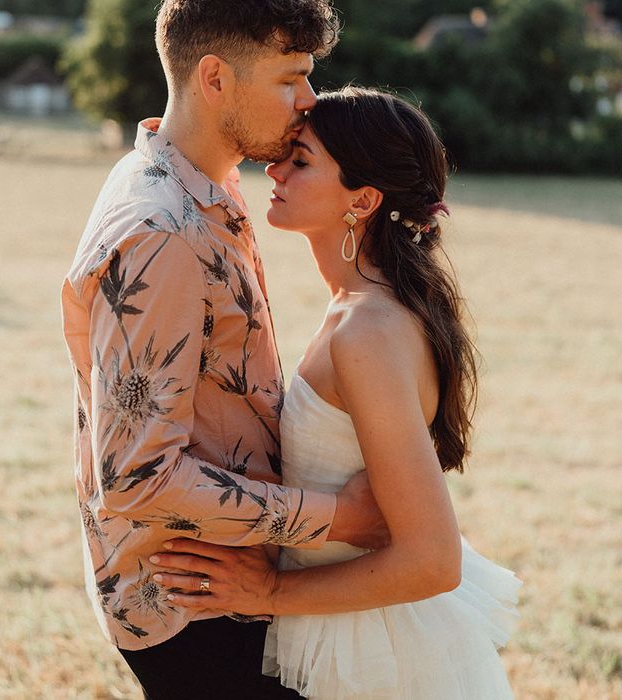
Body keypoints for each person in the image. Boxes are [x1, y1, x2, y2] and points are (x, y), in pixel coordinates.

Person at [61, 3, 389, 698]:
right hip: (196, 601)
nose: (309, 102)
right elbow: (137, 477)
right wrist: (338, 518)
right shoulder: (164, 232)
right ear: (215, 78)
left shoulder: (193, 180)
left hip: (222, 579)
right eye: (291, 79)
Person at [151, 87, 522, 699]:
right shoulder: (364, 309)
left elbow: (432, 559)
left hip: (375, 652)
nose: (273, 170)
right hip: (345, 620)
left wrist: (269, 592)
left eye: (301, 161)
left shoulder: (367, 331)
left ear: (363, 201)